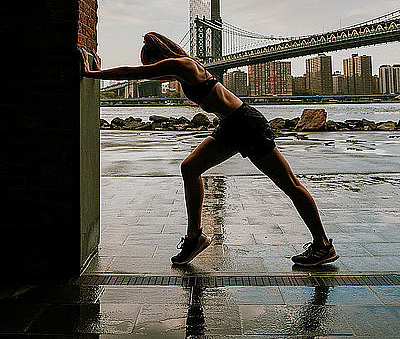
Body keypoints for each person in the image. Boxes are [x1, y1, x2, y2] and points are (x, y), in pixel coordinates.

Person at [80, 32, 339, 267]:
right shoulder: (182, 69)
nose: (151, 69)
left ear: (158, 55)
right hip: (231, 126)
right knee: (190, 168)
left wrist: (94, 74)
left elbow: (133, 72)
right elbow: (143, 73)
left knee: (289, 184)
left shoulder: (183, 65)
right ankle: (194, 237)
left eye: (151, 63)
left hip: (246, 124)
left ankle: (323, 245)